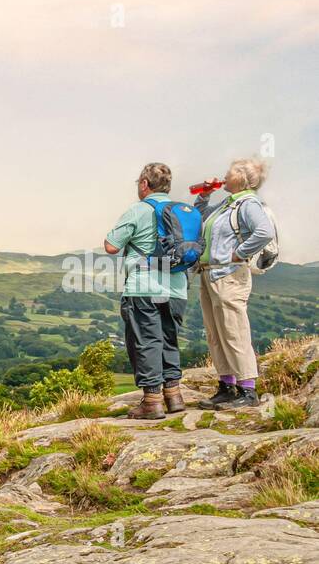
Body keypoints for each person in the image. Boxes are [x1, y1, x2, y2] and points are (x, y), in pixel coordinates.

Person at [104, 162, 189, 419]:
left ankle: (152, 401)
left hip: (144, 286)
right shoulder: (182, 211)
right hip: (176, 287)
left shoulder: (138, 210)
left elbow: (110, 246)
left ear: (144, 184)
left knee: (145, 342)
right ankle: (173, 395)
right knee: (168, 339)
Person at [193, 159, 276, 409]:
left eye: (229, 172)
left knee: (233, 331)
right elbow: (200, 221)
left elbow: (264, 231)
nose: (224, 175)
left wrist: (240, 253)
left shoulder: (249, 204)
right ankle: (226, 385)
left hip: (229, 274)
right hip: (210, 274)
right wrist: (204, 197)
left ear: (241, 177)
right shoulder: (226, 204)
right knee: (215, 333)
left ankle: (247, 390)